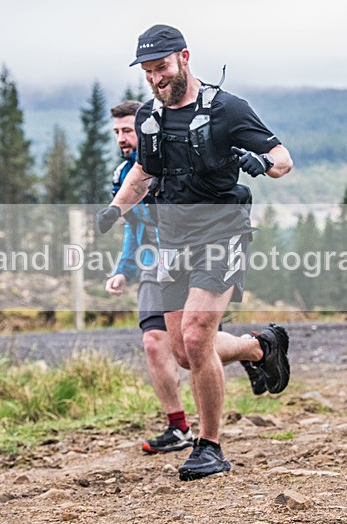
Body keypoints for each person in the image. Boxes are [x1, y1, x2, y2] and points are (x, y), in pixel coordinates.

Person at [96, 25, 293, 481]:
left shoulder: (227, 109)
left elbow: (283, 158)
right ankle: (259, 348)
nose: (155, 80)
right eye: (147, 73)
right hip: (172, 238)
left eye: (161, 68)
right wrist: (114, 208)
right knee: (184, 351)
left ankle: (209, 446)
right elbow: (144, 172)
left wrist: (261, 163)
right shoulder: (149, 116)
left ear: (184, 58)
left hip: (222, 233)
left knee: (198, 333)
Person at [105, 100, 267, 454]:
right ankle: (177, 426)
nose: (123, 138)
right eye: (117, 132)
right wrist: (123, 270)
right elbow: (133, 228)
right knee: (159, 344)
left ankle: (253, 350)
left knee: (193, 344)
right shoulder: (123, 176)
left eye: (128, 130)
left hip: (200, 253)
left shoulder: (177, 158)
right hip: (156, 261)